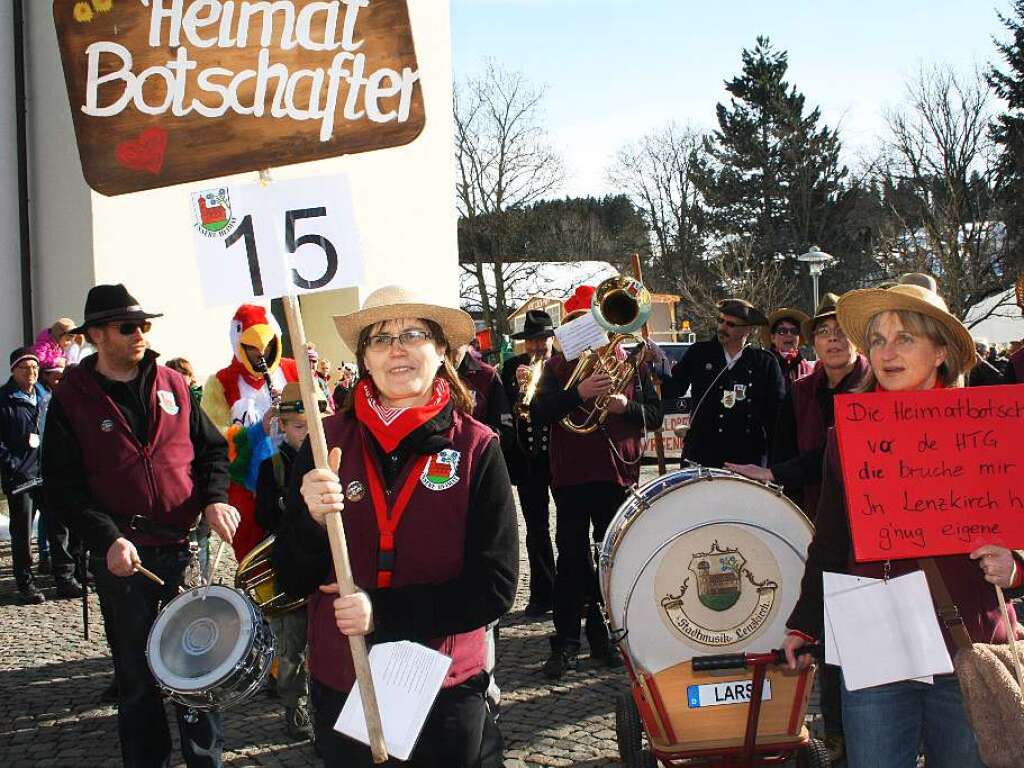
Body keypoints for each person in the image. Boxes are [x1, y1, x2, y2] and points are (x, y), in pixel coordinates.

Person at [273, 285, 518, 767]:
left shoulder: (477, 448)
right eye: (380, 338)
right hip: (343, 682)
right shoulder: (325, 445)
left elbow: (495, 587)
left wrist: (380, 613)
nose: (398, 348)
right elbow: (290, 577)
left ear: (442, 350)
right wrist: (309, 521)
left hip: (443, 685)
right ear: (364, 357)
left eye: (413, 334)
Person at [782, 282, 1024, 768]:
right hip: (875, 644)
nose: (886, 353)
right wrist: (804, 624)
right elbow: (829, 542)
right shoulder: (845, 437)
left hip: (965, 643)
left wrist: (1016, 566)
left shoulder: (990, 429)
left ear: (940, 352)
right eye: (876, 339)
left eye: (904, 338)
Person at [42, 284, 239, 768]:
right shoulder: (72, 397)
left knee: (199, 668)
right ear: (97, 335)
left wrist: (213, 500)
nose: (140, 335)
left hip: (182, 548)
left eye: (145, 326)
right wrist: (106, 538)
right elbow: (61, 487)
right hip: (123, 557)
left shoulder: (173, 384)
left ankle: (205, 762)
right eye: (128, 327)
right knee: (137, 676)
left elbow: (213, 451)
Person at [727, 292, 866, 764]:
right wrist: (772, 478)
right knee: (823, 632)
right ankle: (839, 731)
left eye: (841, 331)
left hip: (866, 530)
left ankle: (871, 725)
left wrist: (780, 472)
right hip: (816, 522)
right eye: (825, 332)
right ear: (813, 342)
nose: (833, 340)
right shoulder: (803, 391)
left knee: (861, 633)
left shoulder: (875, 386)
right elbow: (786, 452)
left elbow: (838, 455)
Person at [530, 286, 663, 679]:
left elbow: (655, 414)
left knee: (615, 562)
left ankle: (610, 638)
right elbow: (539, 412)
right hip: (571, 476)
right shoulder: (557, 367)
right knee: (571, 562)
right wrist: (579, 393)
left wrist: (627, 407)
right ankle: (567, 643)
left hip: (617, 473)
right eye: (579, 323)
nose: (590, 330)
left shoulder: (633, 362)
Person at [201, 304, 299, 561]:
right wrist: (258, 431)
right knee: (253, 553)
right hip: (247, 482)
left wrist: (293, 406)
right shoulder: (221, 382)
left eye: (266, 346)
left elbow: (324, 412)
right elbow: (213, 439)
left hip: (295, 468)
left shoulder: (293, 370)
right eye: (252, 348)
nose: (261, 353)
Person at [254, 382, 320, 742]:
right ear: (283, 426)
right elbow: (262, 515)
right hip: (290, 567)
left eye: (312, 424)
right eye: (298, 426)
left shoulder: (334, 459)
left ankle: (328, 707)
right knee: (291, 644)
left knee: (327, 643)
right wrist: (288, 504)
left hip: (327, 571)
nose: (306, 433)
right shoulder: (272, 467)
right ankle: (295, 705)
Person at [2, 348, 80, 603]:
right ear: (13, 370)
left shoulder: (45, 397)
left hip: (48, 475)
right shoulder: (4, 400)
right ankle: (26, 584)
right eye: (25, 368)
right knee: (23, 533)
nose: (32, 372)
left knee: (59, 530)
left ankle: (65, 579)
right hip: (21, 477)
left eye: (35, 368)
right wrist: (11, 465)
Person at [670, 298, 785, 469]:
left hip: (747, 458)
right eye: (721, 321)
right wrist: (656, 366)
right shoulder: (699, 353)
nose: (722, 327)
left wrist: (775, 465)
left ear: (749, 329)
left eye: (731, 324)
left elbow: (776, 415)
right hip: (702, 454)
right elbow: (673, 388)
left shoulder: (764, 362)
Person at [500, 310, 557, 617]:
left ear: (551, 339)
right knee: (536, 530)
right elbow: (505, 412)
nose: (536, 347)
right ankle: (542, 593)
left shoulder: (563, 365)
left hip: (561, 458)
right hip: (527, 461)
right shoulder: (510, 367)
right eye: (531, 341)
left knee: (572, 530)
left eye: (541, 340)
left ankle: (581, 593)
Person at [456, 343, 513, 440]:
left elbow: (504, 426)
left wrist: (482, 442)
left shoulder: (487, 375)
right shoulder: (430, 375)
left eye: (455, 342)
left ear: (465, 343)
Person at [761, 307, 814, 391]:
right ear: (773, 338)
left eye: (794, 331)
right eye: (782, 331)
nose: (789, 334)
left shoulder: (809, 369)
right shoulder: (762, 366)